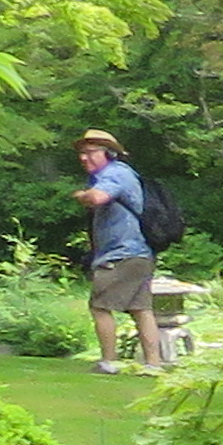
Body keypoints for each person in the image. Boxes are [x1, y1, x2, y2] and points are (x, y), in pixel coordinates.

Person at [74, 130, 169, 373]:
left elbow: (97, 197)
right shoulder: (117, 174)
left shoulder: (114, 173)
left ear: (108, 153)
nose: (84, 158)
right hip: (139, 253)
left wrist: (82, 195)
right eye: (81, 153)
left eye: (90, 152)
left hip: (121, 254)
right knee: (141, 309)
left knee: (100, 306)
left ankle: (109, 362)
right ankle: (153, 364)